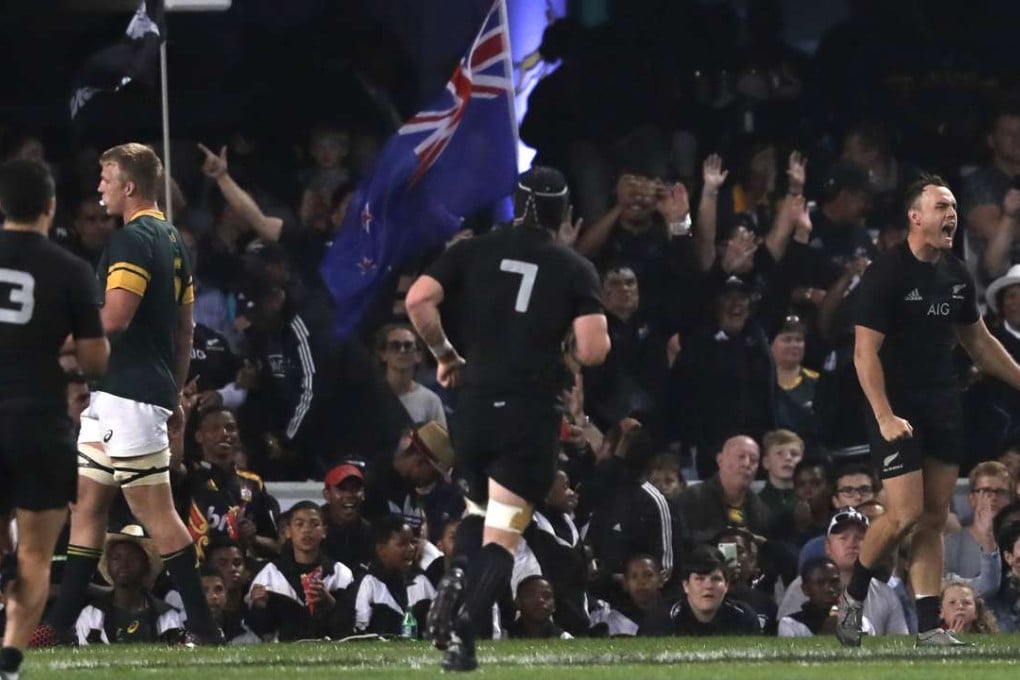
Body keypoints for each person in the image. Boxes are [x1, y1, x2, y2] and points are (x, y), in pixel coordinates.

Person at [405, 166, 609, 671]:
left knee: (478, 513)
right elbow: (594, 348)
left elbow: (418, 299)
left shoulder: (470, 250)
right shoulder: (573, 266)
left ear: (514, 205)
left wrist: (445, 355)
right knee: (506, 529)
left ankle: (455, 577)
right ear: (564, 214)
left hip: (473, 405)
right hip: (529, 410)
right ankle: (465, 631)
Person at [39, 143, 220, 646]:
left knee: (155, 513)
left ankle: (205, 631)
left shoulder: (132, 241)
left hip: (128, 393)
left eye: (106, 178)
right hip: (122, 394)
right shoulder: (175, 241)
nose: (100, 188)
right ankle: (56, 631)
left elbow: (114, 319)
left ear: (130, 185)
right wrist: (176, 391)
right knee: (88, 506)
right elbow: (185, 331)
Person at [839, 173, 1020, 647]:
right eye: (941, 206)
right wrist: (883, 415)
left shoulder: (955, 273)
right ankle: (853, 600)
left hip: (943, 401)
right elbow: (864, 354)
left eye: (954, 206)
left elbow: (979, 343)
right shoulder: (887, 273)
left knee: (934, 518)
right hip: (895, 405)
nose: (951, 215)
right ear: (914, 217)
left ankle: (928, 629)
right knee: (903, 513)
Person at [0, 159, 109, 678]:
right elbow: (94, 361)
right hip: (40, 421)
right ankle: (11, 660)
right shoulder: (70, 269)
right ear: (50, 206)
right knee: (37, 556)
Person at [73, 525, 185, 645]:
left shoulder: (167, 616)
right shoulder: (91, 615)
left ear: (146, 565)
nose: (123, 564)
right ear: (108, 565)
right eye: (116, 558)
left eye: (132, 558)